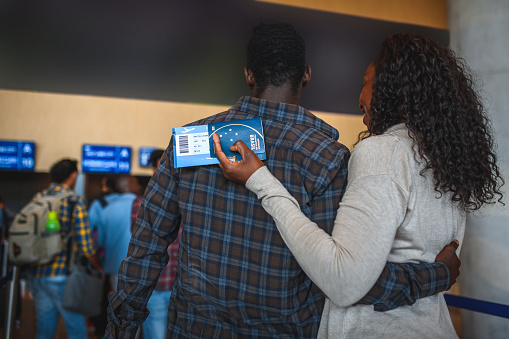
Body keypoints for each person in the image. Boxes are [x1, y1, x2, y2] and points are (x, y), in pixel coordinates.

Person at [106, 24, 460, 338]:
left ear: (248, 75)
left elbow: (147, 243)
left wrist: (123, 324)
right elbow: (347, 278)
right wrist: (435, 277)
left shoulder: (190, 142)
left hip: (193, 328)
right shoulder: (328, 157)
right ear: (306, 75)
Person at [213, 33, 504, 338]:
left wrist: (260, 180)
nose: (359, 98)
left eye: (366, 82)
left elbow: (343, 281)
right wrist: (437, 275)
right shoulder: (448, 159)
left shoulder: (384, 152)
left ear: (391, 88)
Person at [27, 158, 103, 339]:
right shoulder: (74, 201)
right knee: (76, 326)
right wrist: (97, 267)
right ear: (73, 175)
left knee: (44, 326)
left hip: (36, 273)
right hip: (63, 274)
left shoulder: (38, 198)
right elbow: (86, 244)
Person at [133, 149, 181, 339]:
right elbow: (142, 243)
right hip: (157, 282)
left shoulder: (187, 199)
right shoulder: (142, 203)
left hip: (180, 286)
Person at [89, 175, 138, 291]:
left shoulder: (106, 209)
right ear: (128, 185)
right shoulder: (144, 205)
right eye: (137, 183)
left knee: (120, 304)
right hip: (139, 268)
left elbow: (100, 241)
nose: (140, 186)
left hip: (114, 266)